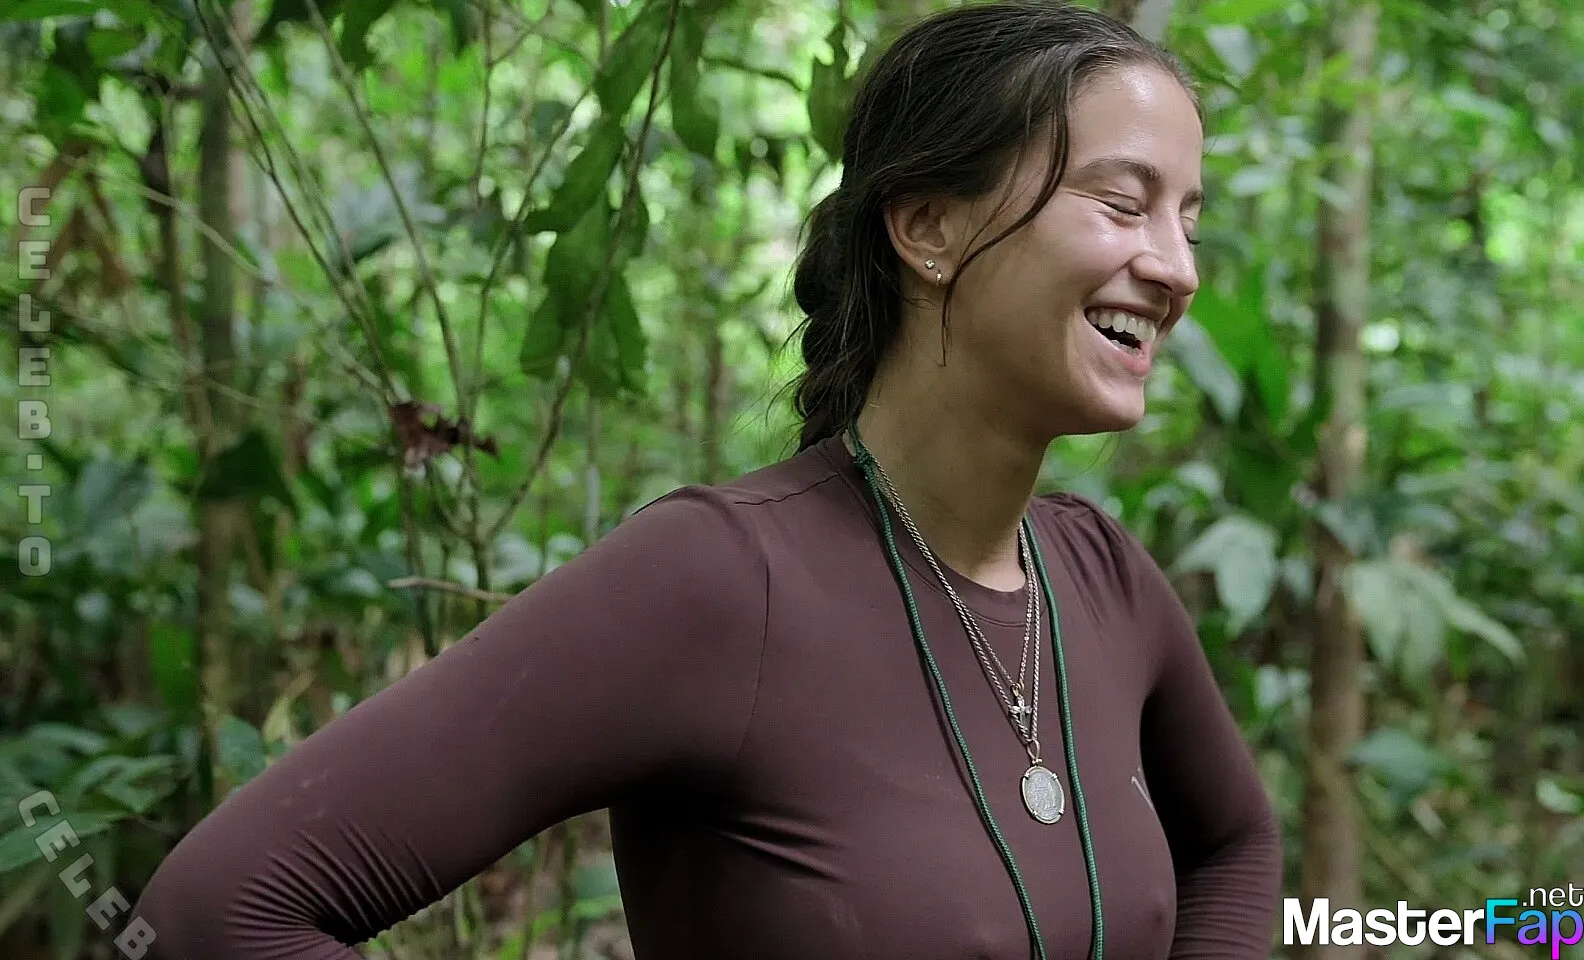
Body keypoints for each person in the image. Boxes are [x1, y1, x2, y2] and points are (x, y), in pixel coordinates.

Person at [130, 2, 1282, 957]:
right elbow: (221, 910)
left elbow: (1237, 845)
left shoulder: (1103, 579)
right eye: (1123, 204)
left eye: (1188, 219)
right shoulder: (720, 581)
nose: (1176, 267)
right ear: (929, 228)